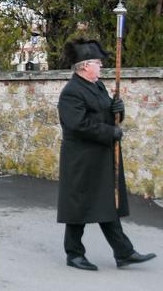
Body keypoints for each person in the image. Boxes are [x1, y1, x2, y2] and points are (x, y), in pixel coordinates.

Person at [57, 38, 156, 270]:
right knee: (79, 206)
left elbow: (107, 114)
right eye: (97, 62)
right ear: (84, 66)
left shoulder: (98, 86)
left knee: (106, 202)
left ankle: (124, 252)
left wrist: (118, 110)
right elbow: (78, 125)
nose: (101, 66)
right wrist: (110, 132)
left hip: (100, 156)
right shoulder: (71, 92)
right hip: (81, 159)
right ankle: (74, 254)